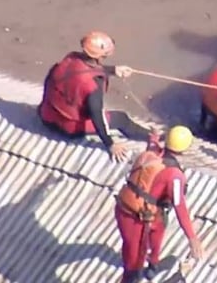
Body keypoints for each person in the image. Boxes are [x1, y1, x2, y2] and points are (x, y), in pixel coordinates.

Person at [38, 31, 148, 162]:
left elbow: (82, 70)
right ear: (101, 56)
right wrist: (110, 144)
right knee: (121, 118)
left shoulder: (70, 59)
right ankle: (151, 136)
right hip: (67, 126)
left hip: (46, 114)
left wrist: (113, 70)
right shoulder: (92, 85)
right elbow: (97, 115)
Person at [115, 125, 204, 283]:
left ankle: (152, 265)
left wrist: (154, 137)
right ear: (185, 150)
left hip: (124, 207)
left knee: (149, 235)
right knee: (134, 262)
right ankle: (139, 274)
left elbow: (153, 145)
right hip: (139, 219)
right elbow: (179, 205)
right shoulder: (174, 175)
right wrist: (192, 237)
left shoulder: (152, 154)